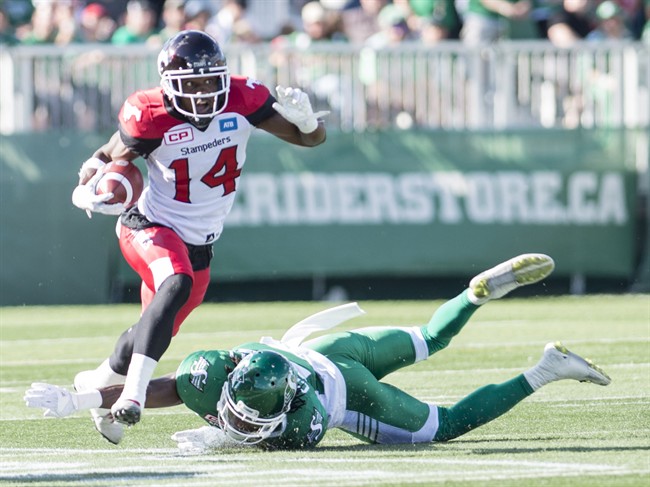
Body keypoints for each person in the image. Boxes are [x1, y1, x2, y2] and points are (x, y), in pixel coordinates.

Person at [24, 254, 611, 451]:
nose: (235, 419)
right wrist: (80, 400)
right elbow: (163, 389)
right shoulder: (220, 374)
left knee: (446, 425)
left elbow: (162, 391)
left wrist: (223, 437)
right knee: (432, 338)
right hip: (331, 349)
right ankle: (470, 295)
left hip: (344, 387)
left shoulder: (301, 418)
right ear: (230, 376)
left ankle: (545, 369)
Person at [68, 29, 328, 445]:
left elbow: (310, 140)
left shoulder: (243, 100)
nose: (205, 94)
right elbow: (111, 153)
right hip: (148, 224)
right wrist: (88, 182)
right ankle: (132, 396)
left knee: (154, 329)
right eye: (194, 85)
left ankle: (98, 388)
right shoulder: (151, 115)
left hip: (200, 240)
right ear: (169, 85)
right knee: (176, 281)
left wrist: (310, 121)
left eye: (211, 82)